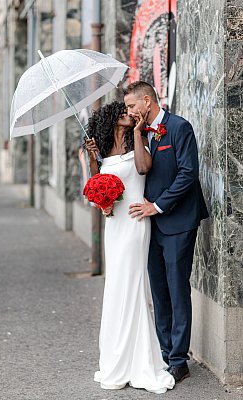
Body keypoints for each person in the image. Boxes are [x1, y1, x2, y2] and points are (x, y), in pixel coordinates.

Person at [84, 101, 175, 394]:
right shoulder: (101, 150)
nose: (128, 113)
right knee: (116, 288)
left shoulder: (140, 139)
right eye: (122, 112)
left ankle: (139, 361)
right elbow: (97, 186)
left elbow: (142, 167)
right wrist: (91, 158)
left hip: (136, 221)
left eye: (129, 111)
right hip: (115, 225)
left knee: (133, 286)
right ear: (112, 119)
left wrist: (137, 132)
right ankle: (116, 359)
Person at [124, 81, 209, 383]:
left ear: (147, 101)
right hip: (151, 226)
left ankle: (179, 360)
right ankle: (165, 353)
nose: (129, 112)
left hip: (179, 222)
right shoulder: (141, 133)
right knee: (158, 291)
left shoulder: (179, 127)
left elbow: (188, 173)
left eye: (132, 106)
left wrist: (157, 206)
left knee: (176, 288)